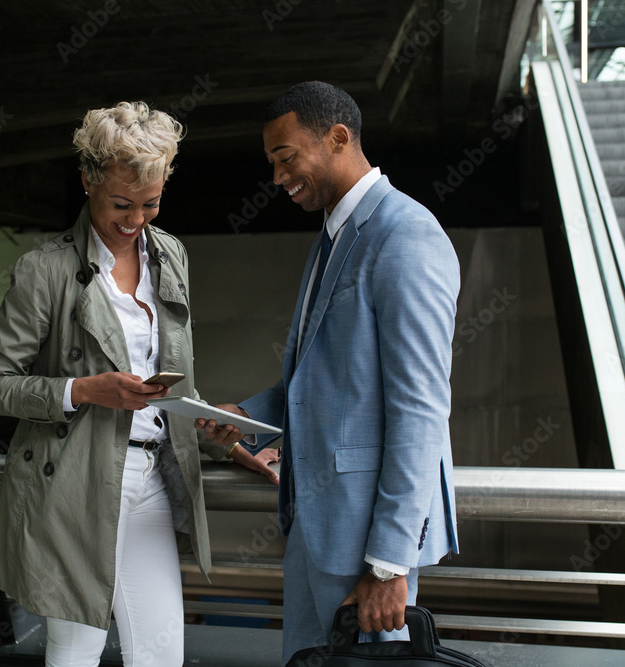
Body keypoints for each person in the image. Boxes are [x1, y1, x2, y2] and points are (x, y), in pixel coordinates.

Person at [0, 101, 274, 667]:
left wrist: (228, 438)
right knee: (76, 652)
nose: (137, 219)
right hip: (72, 485)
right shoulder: (46, 270)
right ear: (87, 181)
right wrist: (83, 390)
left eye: (151, 203)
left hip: (154, 475)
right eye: (121, 204)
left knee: (161, 654)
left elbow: (175, 389)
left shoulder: (171, 255)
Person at [199, 81, 460, 664]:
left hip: (368, 546)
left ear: (338, 138)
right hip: (317, 530)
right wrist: (246, 416)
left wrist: (390, 564)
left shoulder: (406, 237)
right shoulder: (335, 236)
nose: (276, 178)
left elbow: (421, 409)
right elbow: (331, 381)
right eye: (271, 162)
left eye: (285, 158)